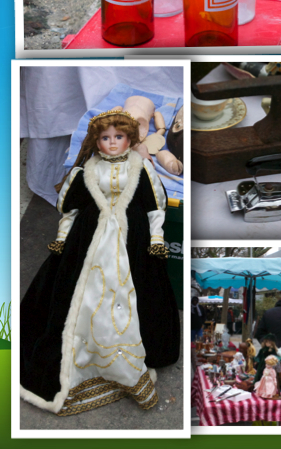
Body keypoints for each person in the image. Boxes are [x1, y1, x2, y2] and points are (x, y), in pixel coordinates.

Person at [20, 108, 181, 416]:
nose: (111, 143)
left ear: (129, 139)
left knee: (137, 294)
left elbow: (155, 206)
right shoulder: (87, 171)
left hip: (131, 238)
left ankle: (128, 358)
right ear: (96, 142)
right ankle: (82, 357)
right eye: (105, 138)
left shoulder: (141, 167)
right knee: (74, 295)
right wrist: (64, 237)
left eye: (118, 137)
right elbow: (71, 209)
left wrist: (157, 238)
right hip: (89, 237)